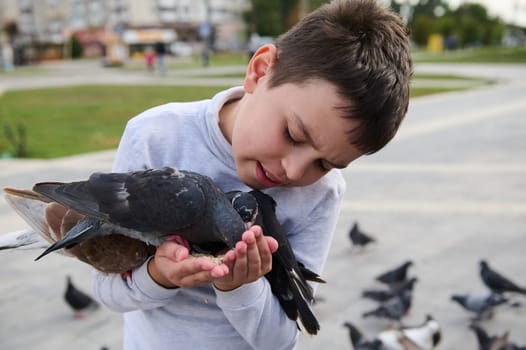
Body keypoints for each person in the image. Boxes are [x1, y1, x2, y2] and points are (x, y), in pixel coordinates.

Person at [92, 0, 412, 349]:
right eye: (293, 134)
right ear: (259, 71)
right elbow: (107, 293)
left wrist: (240, 286)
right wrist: (159, 277)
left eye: (324, 164)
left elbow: (282, 339)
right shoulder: (154, 137)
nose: (293, 170)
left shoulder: (322, 192)